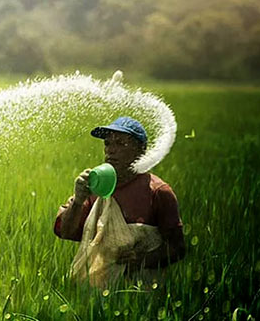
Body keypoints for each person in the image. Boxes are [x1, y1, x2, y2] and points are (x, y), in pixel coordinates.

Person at [54, 117, 185, 287]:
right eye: (108, 144)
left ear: (141, 151)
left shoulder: (158, 192)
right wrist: (78, 200)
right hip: (96, 293)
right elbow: (66, 232)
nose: (111, 150)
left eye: (121, 144)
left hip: (140, 292)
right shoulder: (94, 186)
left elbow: (177, 248)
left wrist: (139, 260)